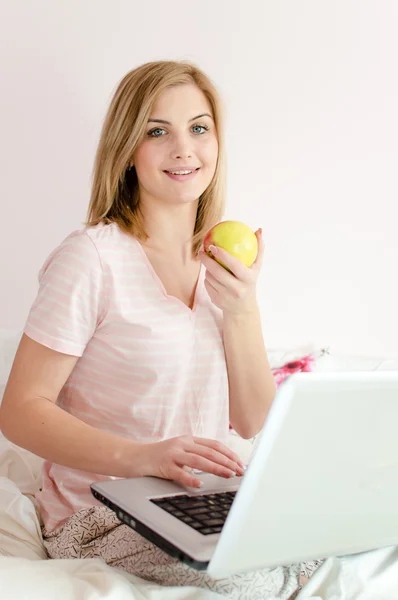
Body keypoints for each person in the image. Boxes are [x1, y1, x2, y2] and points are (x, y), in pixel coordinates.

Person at [0, 61, 316, 599]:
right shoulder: (92, 258)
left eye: (198, 127)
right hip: (102, 514)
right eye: (156, 131)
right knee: (259, 584)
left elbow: (251, 417)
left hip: (200, 501)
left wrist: (242, 309)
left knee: (331, 539)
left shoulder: (221, 261)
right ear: (127, 148)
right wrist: (146, 456)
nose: (183, 149)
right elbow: (21, 410)